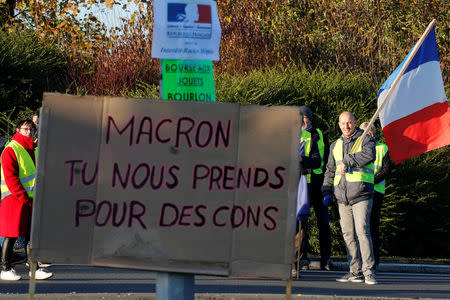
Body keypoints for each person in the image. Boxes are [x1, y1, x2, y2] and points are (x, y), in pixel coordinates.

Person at [322, 111, 377, 285]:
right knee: (348, 235)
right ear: (339, 124)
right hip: (342, 197)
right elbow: (330, 170)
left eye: (350, 123)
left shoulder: (365, 138)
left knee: (362, 231)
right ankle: (355, 271)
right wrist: (326, 190)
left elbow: (369, 155)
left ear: (355, 122)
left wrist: (349, 160)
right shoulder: (335, 145)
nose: (346, 126)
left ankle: (368, 271)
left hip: (361, 193)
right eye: (343, 123)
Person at [0, 119, 52, 280]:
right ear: (17, 130)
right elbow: (11, 178)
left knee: (31, 235)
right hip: (14, 198)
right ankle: (6, 269)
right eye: (25, 129)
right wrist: (24, 197)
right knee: (11, 234)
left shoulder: (33, 149)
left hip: (31, 199)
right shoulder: (11, 149)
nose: (29, 132)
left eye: (31, 129)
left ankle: (34, 268)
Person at [296, 106, 332, 271]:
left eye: (305, 118)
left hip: (321, 182)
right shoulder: (297, 134)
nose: (303, 121)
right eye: (301, 118)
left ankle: (326, 259)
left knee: (323, 222)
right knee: (302, 221)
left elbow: (324, 159)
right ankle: (302, 258)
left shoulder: (319, 134)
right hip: (306, 182)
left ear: (310, 118)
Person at [360, 122, 394, 269]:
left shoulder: (381, 148)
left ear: (371, 134)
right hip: (360, 190)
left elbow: (387, 169)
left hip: (376, 191)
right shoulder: (358, 148)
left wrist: (372, 181)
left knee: (373, 226)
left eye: (365, 133)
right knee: (361, 227)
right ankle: (362, 260)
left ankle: (374, 261)